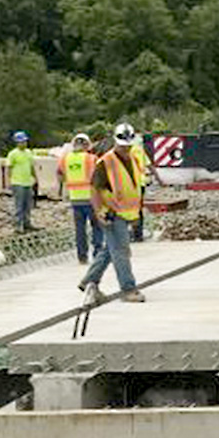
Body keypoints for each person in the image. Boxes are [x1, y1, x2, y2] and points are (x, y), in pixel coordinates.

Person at [79, 123, 147, 303]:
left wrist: (135, 215)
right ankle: (128, 289)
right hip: (111, 213)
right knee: (121, 251)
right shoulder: (106, 162)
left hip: (127, 213)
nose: (126, 149)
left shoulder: (133, 159)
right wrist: (98, 212)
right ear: (116, 142)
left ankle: (89, 281)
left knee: (110, 250)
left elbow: (133, 187)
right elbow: (94, 189)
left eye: (129, 145)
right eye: (123, 146)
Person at [56, 133, 101, 264]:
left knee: (80, 230)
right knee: (97, 227)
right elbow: (99, 178)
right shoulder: (91, 159)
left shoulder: (65, 159)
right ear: (87, 145)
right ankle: (97, 253)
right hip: (91, 199)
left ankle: (82, 257)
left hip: (75, 199)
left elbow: (59, 175)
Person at [3, 131, 37, 232]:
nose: (23, 143)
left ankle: (27, 223)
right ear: (17, 143)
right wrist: (8, 181)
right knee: (19, 205)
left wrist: (35, 178)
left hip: (28, 183)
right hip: (18, 183)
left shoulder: (29, 153)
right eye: (21, 142)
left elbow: (31, 167)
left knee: (28, 205)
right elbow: (8, 168)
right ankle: (18, 225)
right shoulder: (13, 154)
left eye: (24, 141)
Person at [131, 133, 150, 242]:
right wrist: (160, 180)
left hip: (129, 184)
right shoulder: (140, 151)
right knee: (138, 209)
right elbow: (149, 165)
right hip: (141, 183)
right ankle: (138, 234)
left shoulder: (126, 151)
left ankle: (133, 233)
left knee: (129, 208)